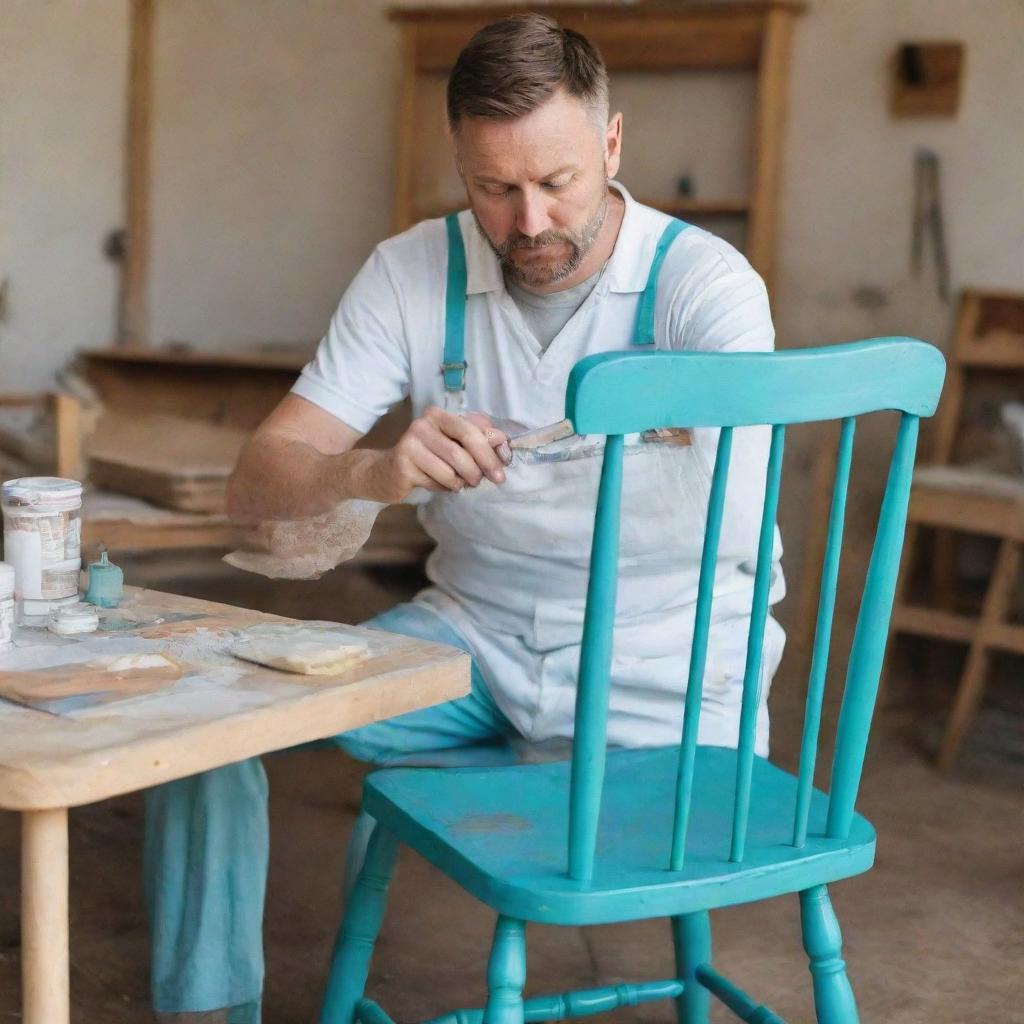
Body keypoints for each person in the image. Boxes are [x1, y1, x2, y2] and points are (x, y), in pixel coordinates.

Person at [144, 14, 785, 1023]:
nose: (528, 221)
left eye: (557, 181)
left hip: (654, 660)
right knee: (201, 725)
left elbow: (739, 519)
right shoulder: (409, 271)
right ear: (459, 164)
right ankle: (210, 1010)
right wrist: (374, 468)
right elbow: (257, 480)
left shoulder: (702, 286)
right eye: (493, 188)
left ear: (612, 144)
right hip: (469, 640)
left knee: (620, 833)